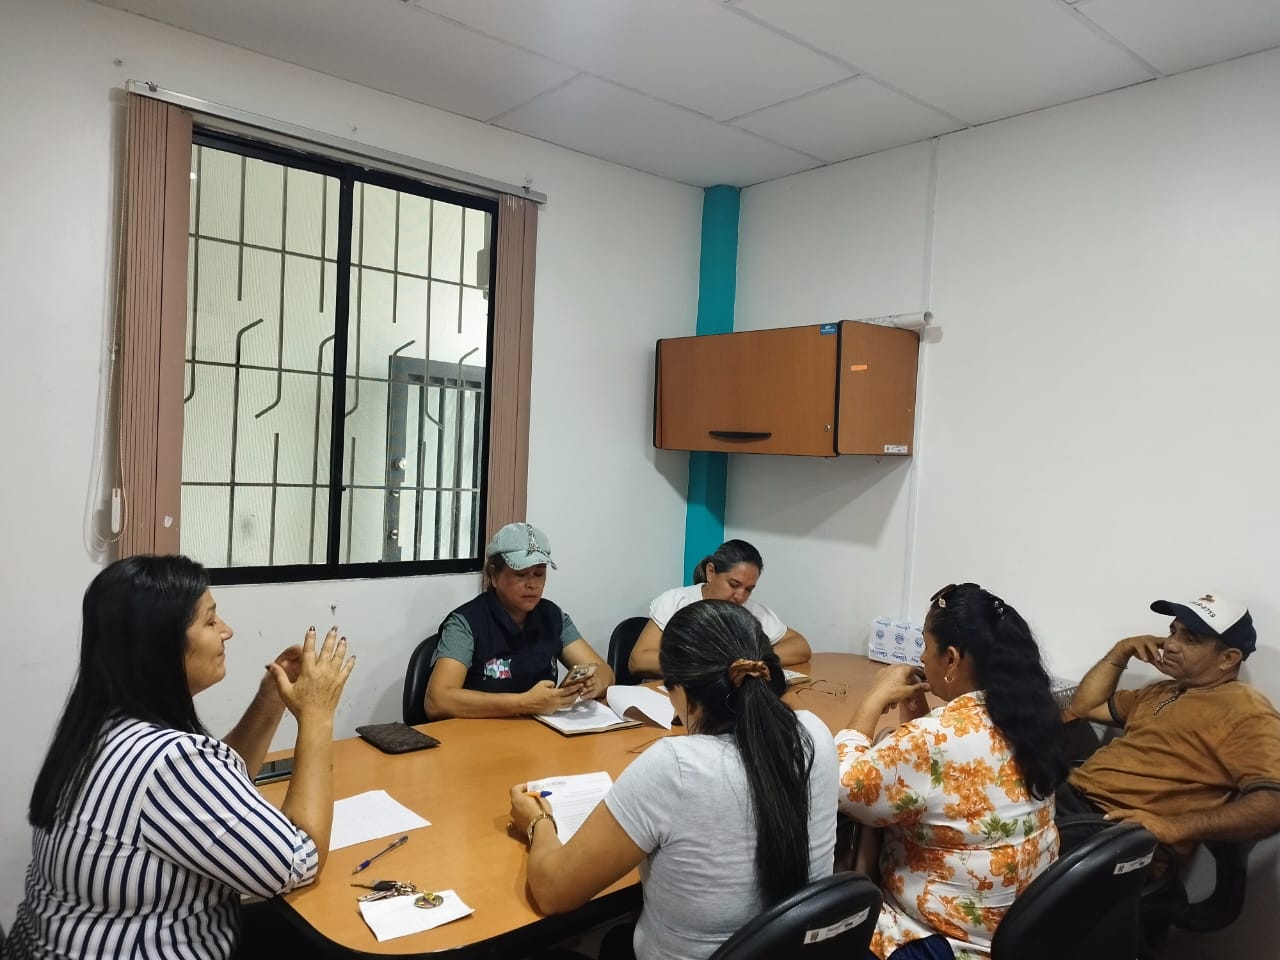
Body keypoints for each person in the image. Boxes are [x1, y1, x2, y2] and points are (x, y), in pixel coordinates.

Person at [9, 555, 355, 960]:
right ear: (160, 645)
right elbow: (300, 859)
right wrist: (317, 716)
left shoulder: (101, 725)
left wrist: (271, 698)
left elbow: (218, 787)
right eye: (209, 621)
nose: (227, 631)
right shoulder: (170, 763)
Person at [508, 600, 838, 960]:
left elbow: (553, 891)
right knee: (617, 938)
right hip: (791, 952)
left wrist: (537, 821)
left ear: (680, 690)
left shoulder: (677, 768)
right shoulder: (814, 734)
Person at [836, 583, 1065, 959]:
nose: (922, 657)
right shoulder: (1028, 715)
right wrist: (917, 714)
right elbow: (947, 775)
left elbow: (843, 787)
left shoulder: (934, 738)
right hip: (1020, 928)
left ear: (953, 659)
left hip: (947, 942)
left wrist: (873, 698)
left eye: (926, 646)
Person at [1061, 592, 1280, 859]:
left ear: (1227, 659)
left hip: (1115, 833)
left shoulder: (1246, 710)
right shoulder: (1164, 690)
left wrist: (1176, 827)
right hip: (1072, 801)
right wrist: (1121, 650)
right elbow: (1084, 707)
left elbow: (1274, 803)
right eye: (1172, 632)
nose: (1171, 645)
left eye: (1190, 639)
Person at [425, 522, 613, 719]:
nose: (532, 584)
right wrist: (524, 703)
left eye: (539, 574)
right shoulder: (465, 623)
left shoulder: (553, 616)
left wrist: (596, 683)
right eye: (520, 574)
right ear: (494, 575)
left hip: (540, 729)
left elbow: (605, 671)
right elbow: (437, 701)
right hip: (480, 731)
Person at [627, 539, 811, 679]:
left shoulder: (752, 611)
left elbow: (800, 646)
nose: (740, 596)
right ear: (711, 572)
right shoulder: (676, 601)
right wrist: (710, 664)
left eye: (749, 589)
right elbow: (638, 660)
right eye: (733, 584)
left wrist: (750, 661)